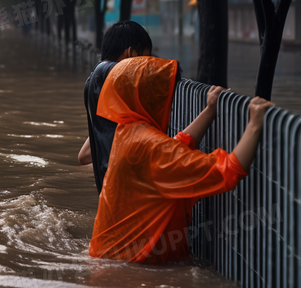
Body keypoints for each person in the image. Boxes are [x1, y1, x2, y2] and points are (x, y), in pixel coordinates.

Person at [89, 56, 274, 264]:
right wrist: (256, 122)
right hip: (130, 270)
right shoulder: (149, 146)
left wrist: (209, 111)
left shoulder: (128, 131)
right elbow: (228, 170)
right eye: (165, 93)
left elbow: (174, 149)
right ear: (150, 97)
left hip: (109, 261)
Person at [78, 20, 153, 194]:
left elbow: (84, 156)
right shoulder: (113, 75)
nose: (147, 66)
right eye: (145, 59)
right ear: (131, 52)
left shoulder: (94, 79)